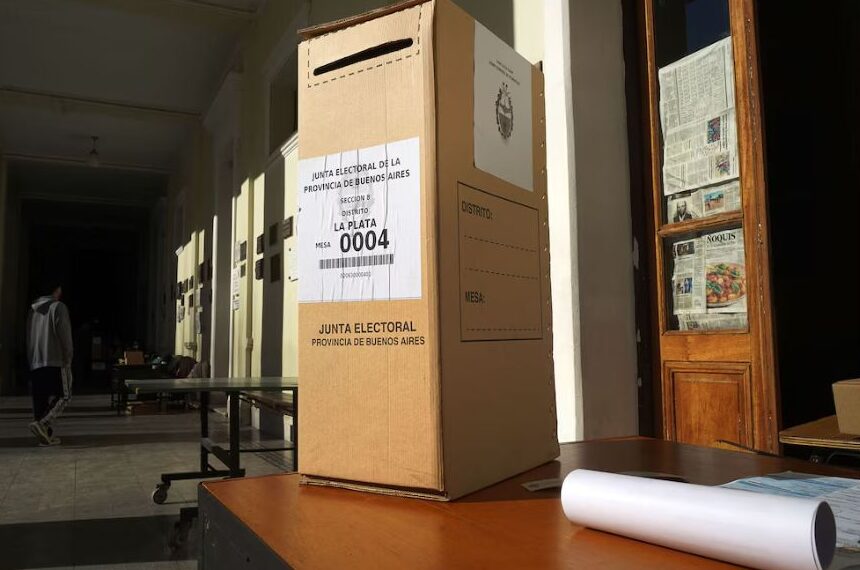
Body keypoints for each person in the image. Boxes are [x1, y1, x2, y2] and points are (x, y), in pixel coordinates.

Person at [26, 281, 74, 446]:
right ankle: (42, 424)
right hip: (55, 359)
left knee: (40, 399)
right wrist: (68, 357)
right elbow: (65, 335)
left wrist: (31, 359)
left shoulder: (33, 310)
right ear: (57, 289)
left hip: (36, 361)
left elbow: (28, 337)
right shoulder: (58, 307)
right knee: (65, 395)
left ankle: (45, 436)